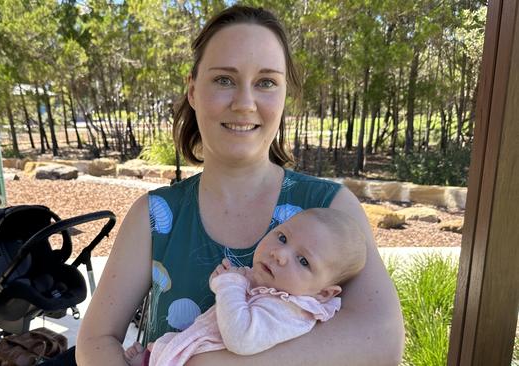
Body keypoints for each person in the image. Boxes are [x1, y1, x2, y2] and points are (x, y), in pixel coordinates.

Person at [76, 5, 404, 365]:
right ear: (193, 90)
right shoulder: (155, 216)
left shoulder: (331, 208)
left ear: (283, 96)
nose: (245, 103)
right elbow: (95, 340)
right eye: (224, 80)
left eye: (265, 82)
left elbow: (382, 340)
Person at [124, 208, 367, 366]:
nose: (279, 254)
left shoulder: (291, 311)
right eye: (282, 237)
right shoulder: (273, 284)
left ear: (324, 292)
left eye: (303, 261)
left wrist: (229, 285)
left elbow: (241, 338)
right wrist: (227, 280)